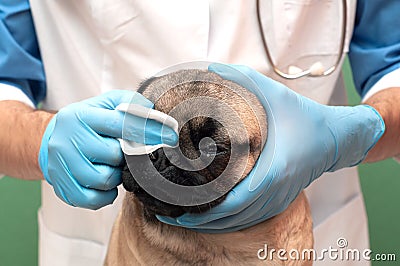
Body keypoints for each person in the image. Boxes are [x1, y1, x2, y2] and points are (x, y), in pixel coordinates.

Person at [0, 0, 399, 265]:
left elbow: (392, 68)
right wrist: (46, 138)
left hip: (310, 240)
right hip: (107, 244)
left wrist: (354, 134)